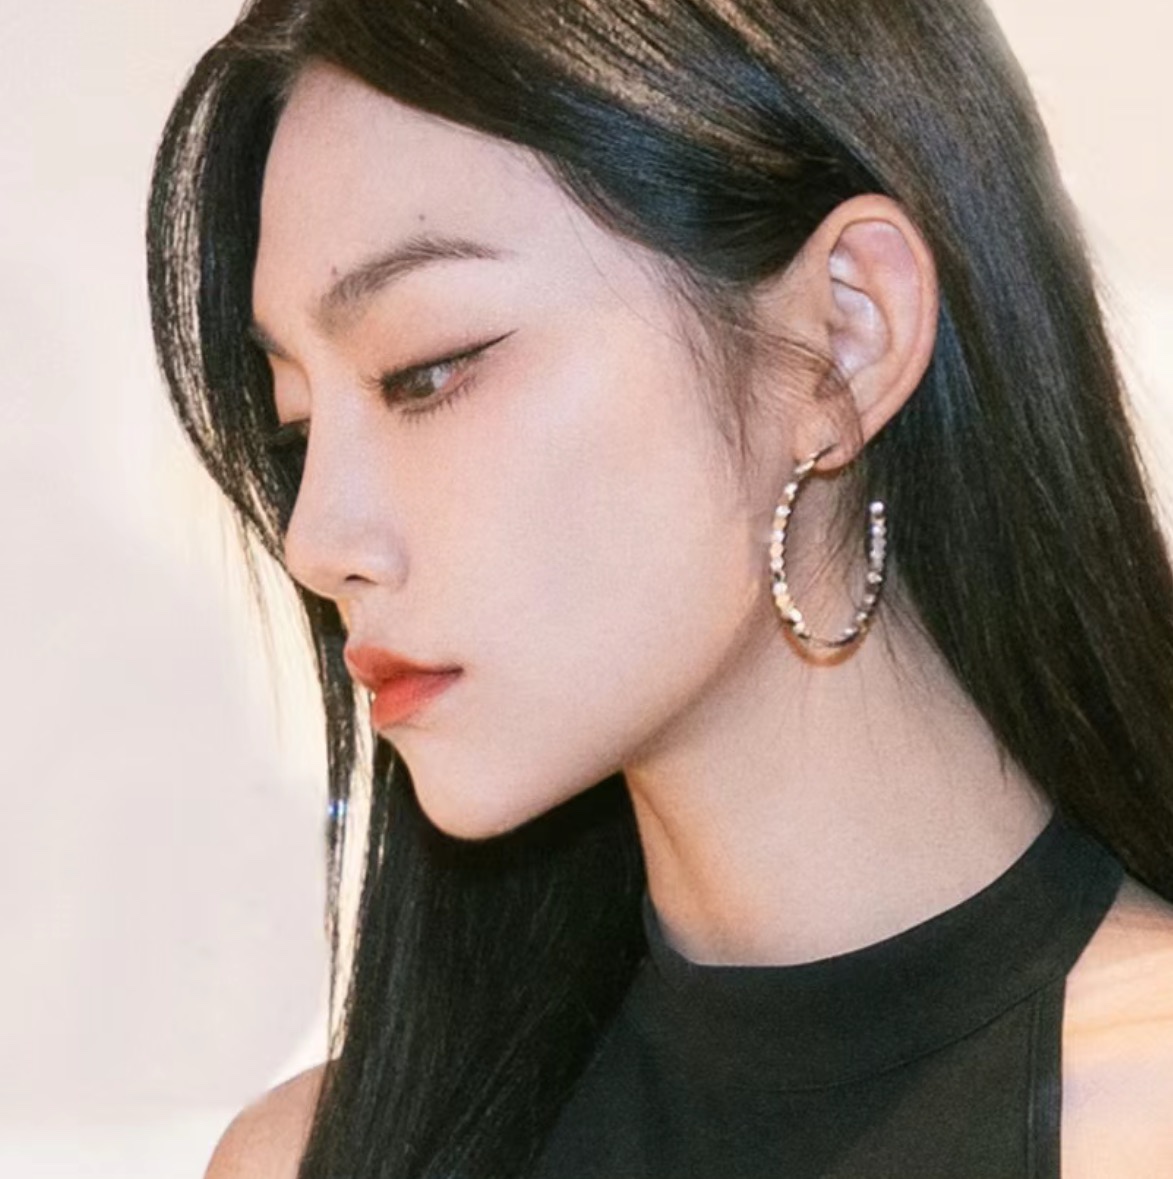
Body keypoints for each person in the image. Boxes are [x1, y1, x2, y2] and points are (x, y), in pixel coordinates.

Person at [146, 0, 1173, 1175]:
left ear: (844, 336)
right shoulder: (311, 1158)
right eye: (296, 427)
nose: (317, 540)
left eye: (426, 369)